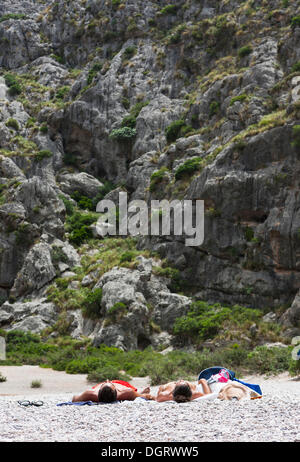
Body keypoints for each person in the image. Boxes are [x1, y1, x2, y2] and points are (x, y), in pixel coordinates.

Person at [72, 379, 155, 403]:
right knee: (134, 393)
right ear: (116, 389)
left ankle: (138, 392)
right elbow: (148, 396)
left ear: (99, 390)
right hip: (121, 384)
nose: (108, 380)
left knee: (134, 394)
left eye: (107, 382)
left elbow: (74, 398)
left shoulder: (90, 394)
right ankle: (139, 391)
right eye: (107, 382)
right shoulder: (125, 392)